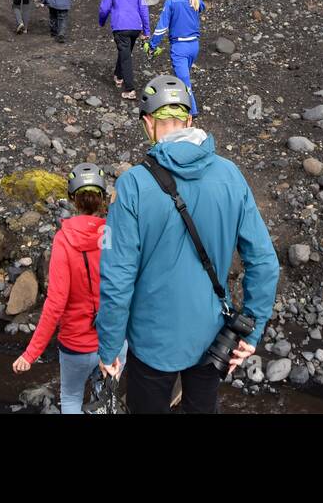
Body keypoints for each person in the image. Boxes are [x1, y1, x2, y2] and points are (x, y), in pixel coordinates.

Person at [95, 76, 279, 414]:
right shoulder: (230, 174)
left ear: (148, 124)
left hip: (151, 340)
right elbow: (265, 262)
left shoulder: (133, 185)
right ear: (189, 121)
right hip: (212, 337)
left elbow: (117, 279)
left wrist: (108, 350)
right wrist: (251, 331)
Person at [11, 163, 125, 413]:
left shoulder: (64, 240)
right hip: (113, 339)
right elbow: (127, 289)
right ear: (103, 198)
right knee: (107, 399)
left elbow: (55, 303)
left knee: (72, 397)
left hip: (76, 344)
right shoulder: (115, 234)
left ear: (73, 200)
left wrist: (31, 354)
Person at [148, 0, 205, 115]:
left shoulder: (172, 1)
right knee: (184, 76)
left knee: (183, 80)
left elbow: (162, 26)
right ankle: (185, 106)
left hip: (180, 46)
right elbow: (201, 8)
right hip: (194, 45)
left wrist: (153, 44)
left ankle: (191, 111)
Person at [98, 0, 151, 101]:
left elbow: (104, 8)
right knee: (125, 52)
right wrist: (146, 30)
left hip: (121, 27)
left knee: (126, 56)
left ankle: (130, 89)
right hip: (135, 27)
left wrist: (102, 21)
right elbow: (144, 10)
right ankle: (118, 75)